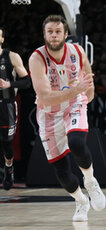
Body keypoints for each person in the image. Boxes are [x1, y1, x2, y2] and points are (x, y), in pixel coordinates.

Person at [28, 15, 106, 222]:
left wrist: (85, 96)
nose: (54, 35)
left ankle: (90, 182)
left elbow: (88, 82)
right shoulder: (37, 58)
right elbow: (44, 96)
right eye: (50, 32)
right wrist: (78, 90)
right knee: (62, 172)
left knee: (77, 142)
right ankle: (81, 201)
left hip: (73, 104)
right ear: (44, 35)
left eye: (58, 31)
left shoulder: (78, 52)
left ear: (65, 34)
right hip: (48, 113)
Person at [0, 27, 31, 190]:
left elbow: (26, 82)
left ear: (2, 39)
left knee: (6, 142)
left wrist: (9, 84)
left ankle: (8, 168)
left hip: (6, 104)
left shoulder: (11, 57)